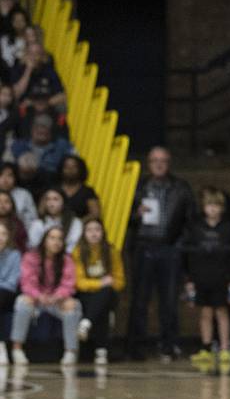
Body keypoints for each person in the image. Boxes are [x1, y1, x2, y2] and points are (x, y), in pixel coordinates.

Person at [126, 146, 194, 362]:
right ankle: (135, 346)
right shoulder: (138, 186)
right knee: (140, 300)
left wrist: (180, 245)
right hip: (144, 246)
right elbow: (123, 216)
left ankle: (169, 344)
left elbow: (190, 219)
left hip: (170, 247)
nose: (159, 164)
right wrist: (135, 215)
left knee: (169, 300)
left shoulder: (181, 187)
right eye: (155, 160)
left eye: (163, 160)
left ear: (169, 162)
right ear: (148, 163)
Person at [183, 188, 230, 373]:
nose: (213, 209)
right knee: (206, 313)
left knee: (222, 312)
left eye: (216, 206)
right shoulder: (196, 228)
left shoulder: (228, 229)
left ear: (222, 208)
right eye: (209, 205)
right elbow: (189, 255)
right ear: (204, 207)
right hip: (201, 276)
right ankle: (206, 346)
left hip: (221, 276)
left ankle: (225, 347)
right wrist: (189, 279)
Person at [10, 225, 82, 366]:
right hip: (37, 300)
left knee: (73, 306)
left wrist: (57, 296)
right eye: (52, 238)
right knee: (22, 302)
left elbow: (69, 283)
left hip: (56, 301)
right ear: (44, 240)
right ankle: (17, 349)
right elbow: (26, 282)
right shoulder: (31, 256)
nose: (56, 242)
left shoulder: (67, 259)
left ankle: (70, 351)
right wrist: (39, 296)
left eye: (60, 239)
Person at [72, 216, 125, 365]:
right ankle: (101, 351)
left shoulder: (112, 251)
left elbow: (120, 281)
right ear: (84, 233)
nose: (94, 233)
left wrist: (104, 285)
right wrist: (100, 283)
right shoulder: (77, 252)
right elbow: (79, 282)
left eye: (97, 230)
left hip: (108, 294)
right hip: (85, 295)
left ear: (103, 232)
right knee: (101, 305)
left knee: (105, 294)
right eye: (89, 230)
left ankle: (86, 323)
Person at [10, 42, 66, 110]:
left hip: (45, 109)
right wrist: (28, 70)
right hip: (23, 110)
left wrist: (42, 104)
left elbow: (62, 96)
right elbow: (16, 94)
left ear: (42, 56)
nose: (33, 57)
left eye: (37, 54)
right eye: (31, 54)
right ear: (25, 55)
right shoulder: (18, 69)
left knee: (61, 107)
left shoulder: (49, 71)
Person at [26, 187, 82, 251]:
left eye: (55, 199)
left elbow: (73, 246)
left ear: (64, 202)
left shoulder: (75, 222)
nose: (51, 203)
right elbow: (33, 247)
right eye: (47, 199)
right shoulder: (37, 224)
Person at [0, 220, 21, 364]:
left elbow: (12, 283)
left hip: (7, 294)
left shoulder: (15, 255)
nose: (0, 237)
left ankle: (0, 347)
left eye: (3, 234)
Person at [57, 155, 100, 220]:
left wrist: (78, 224)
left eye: (74, 167)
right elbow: (42, 211)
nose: (70, 170)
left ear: (80, 169)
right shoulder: (54, 189)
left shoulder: (87, 192)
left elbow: (95, 214)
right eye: (66, 167)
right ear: (61, 169)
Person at [0, 161, 36, 232]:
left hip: (19, 231)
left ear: (15, 177)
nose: (5, 179)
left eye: (10, 175)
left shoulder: (24, 194)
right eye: (1, 175)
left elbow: (32, 219)